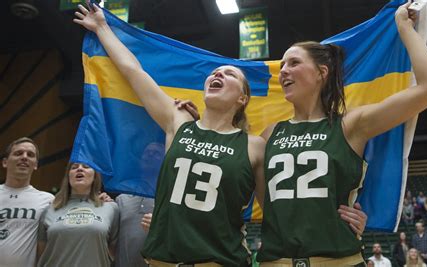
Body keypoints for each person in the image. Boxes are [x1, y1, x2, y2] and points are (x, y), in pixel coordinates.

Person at [74, 2, 367, 266]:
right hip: (162, 260)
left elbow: (283, 208)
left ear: (242, 98)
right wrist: (102, 27)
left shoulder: (256, 145)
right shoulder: (178, 122)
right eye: (214, 72)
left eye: (229, 74)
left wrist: (346, 220)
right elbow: (134, 71)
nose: (218, 74)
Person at [257, 2, 427, 266]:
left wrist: (404, 28)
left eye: (294, 62)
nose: (283, 70)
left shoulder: (351, 123)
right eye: (282, 65)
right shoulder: (269, 134)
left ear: (322, 73)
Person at [36, 162, 119, 266]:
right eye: (74, 167)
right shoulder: (49, 209)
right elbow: (41, 252)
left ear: (95, 176)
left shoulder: (111, 208)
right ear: (68, 177)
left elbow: (114, 250)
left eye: (86, 167)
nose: (79, 169)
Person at [0, 137, 54, 267]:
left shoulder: (48, 200)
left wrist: (100, 200)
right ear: (5, 162)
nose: (24, 157)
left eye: (30, 155)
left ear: (35, 165)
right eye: (18, 153)